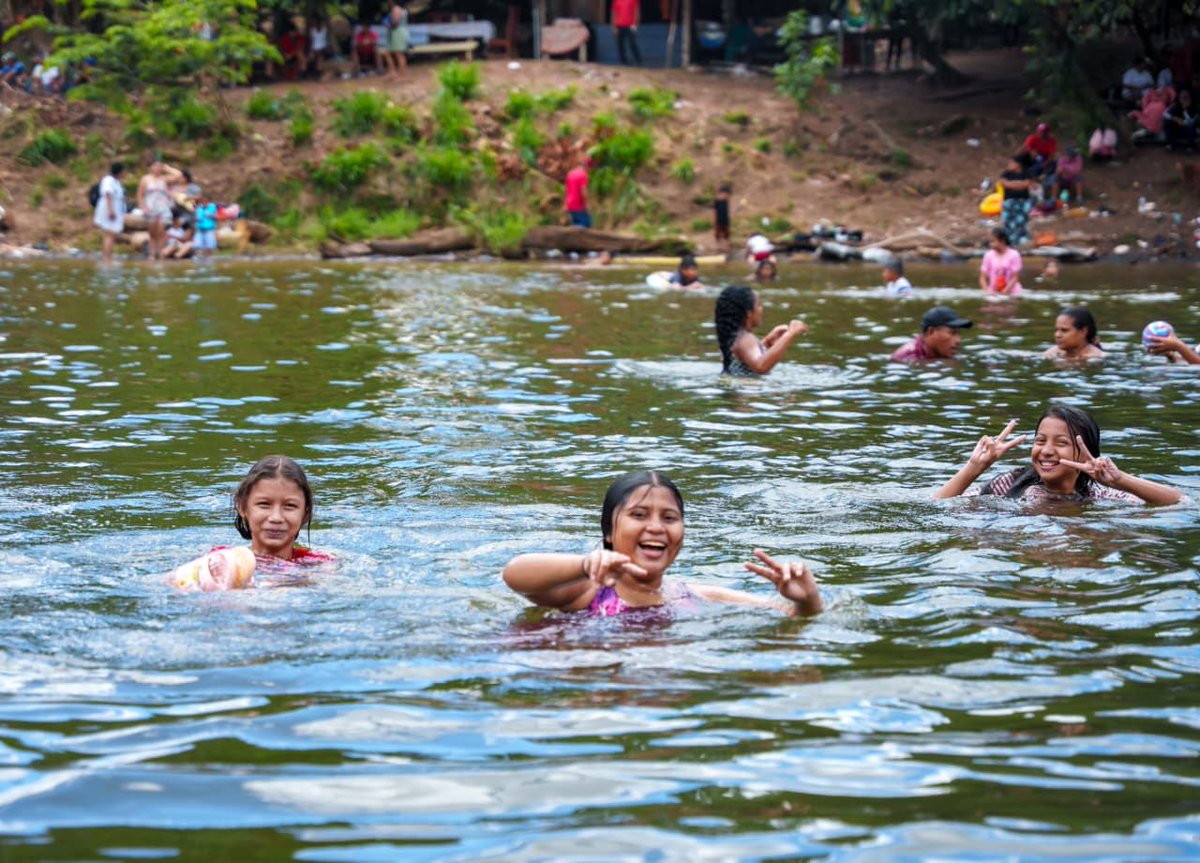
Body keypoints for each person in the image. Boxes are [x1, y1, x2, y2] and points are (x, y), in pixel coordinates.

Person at [502, 470, 822, 617]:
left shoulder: (690, 596)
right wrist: (585, 565)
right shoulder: (587, 590)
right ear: (610, 532)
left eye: (669, 518)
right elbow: (515, 575)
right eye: (639, 515)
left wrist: (807, 600)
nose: (656, 527)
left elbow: (789, 613)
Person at [933, 407, 1183, 505]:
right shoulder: (1010, 484)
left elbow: (1181, 503)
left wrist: (1120, 480)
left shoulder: (1099, 495)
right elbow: (936, 506)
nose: (1047, 450)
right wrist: (973, 468)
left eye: (1061, 443)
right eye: (1040, 441)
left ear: (1087, 455)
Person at [232, 455, 334, 563]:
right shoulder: (226, 561)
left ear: (306, 513)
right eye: (264, 504)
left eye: (290, 506)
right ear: (242, 507)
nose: (276, 518)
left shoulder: (319, 565)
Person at [714, 285, 807, 376]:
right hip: (747, 389)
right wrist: (790, 333)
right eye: (758, 305)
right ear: (748, 313)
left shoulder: (735, 337)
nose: (761, 309)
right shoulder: (745, 338)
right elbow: (760, 366)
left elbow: (746, 360)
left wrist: (766, 343)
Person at [890, 305, 971, 363]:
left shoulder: (939, 351)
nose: (958, 340)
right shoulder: (908, 357)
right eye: (952, 333)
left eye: (958, 334)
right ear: (931, 331)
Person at [137, 161, 183, 261]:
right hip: (151, 207)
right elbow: (140, 195)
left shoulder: (164, 179)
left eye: (159, 167)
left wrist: (167, 168)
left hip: (163, 208)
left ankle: (161, 253)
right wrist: (143, 207)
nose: (157, 169)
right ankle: (152, 254)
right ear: (151, 167)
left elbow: (179, 175)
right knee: (152, 233)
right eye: (155, 166)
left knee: (161, 232)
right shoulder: (145, 179)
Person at [93, 161, 126, 264]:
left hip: (116, 208)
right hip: (109, 208)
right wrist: (110, 210)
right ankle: (107, 258)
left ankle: (108, 256)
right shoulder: (109, 180)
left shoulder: (116, 182)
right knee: (109, 234)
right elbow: (109, 194)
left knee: (112, 234)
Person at [998, 156, 1034, 246]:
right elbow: (1004, 184)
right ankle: (1009, 239)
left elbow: (1026, 184)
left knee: (1021, 220)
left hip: (1023, 200)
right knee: (1008, 220)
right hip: (1009, 200)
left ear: (1018, 164)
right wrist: (1019, 184)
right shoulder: (1006, 173)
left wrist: (1012, 184)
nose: (1009, 165)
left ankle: (1021, 238)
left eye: (1011, 163)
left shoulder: (1026, 172)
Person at [980, 227, 1023, 296]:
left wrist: (1004, 292)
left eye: (993, 241)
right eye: (990, 242)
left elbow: (1015, 277)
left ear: (1002, 241)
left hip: (1012, 293)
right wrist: (987, 292)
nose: (990, 244)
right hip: (993, 292)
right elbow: (983, 277)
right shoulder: (988, 255)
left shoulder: (1014, 255)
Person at [611, 0, 642, 67]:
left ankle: (638, 59)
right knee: (620, 44)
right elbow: (614, 13)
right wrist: (614, 27)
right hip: (619, 25)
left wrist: (635, 24)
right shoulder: (616, 1)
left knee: (632, 43)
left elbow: (636, 11)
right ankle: (623, 61)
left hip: (630, 25)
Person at [564, 156, 591, 228]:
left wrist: (565, 204)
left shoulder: (570, 173)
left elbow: (567, 190)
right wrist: (587, 204)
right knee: (586, 225)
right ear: (587, 166)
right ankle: (569, 231)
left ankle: (571, 230)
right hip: (578, 205)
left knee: (576, 223)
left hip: (570, 204)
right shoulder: (583, 175)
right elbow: (583, 191)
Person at [384, 1, 409, 79]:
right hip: (396, 33)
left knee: (399, 54)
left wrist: (388, 25)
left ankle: (402, 74)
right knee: (388, 53)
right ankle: (392, 72)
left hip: (398, 32)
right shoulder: (400, 9)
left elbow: (395, 22)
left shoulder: (396, 9)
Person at [713, 183, 731, 249]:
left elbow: (727, 211)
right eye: (726, 194)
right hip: (719, 220)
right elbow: (714, 212)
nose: (727, 196)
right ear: (722, 193)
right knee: (718, 234)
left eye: (728, 194)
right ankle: (718, 246)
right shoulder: (716, 201)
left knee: (727, 234)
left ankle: (727, 247)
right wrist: (714, 220)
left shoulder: (726, 201)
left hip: (726, 220)